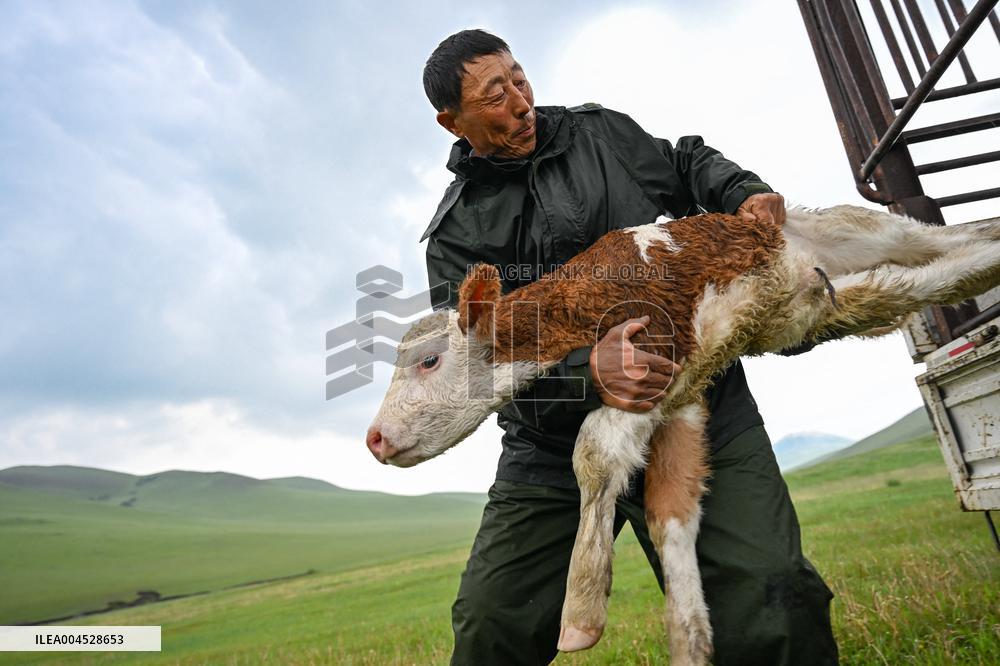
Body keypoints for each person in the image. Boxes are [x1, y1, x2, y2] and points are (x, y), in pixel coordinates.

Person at [419, 29, 838, 666]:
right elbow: (475, 373)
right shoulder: (455, 238)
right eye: (494, 95)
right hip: (552, 447)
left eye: (519, 78)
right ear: (452, 121)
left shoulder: (600, 134)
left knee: (772, 595)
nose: (522, 103)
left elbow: (685, 162)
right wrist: (589, 373)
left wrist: (739, 190)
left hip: (694, 403)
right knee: (490, 626)